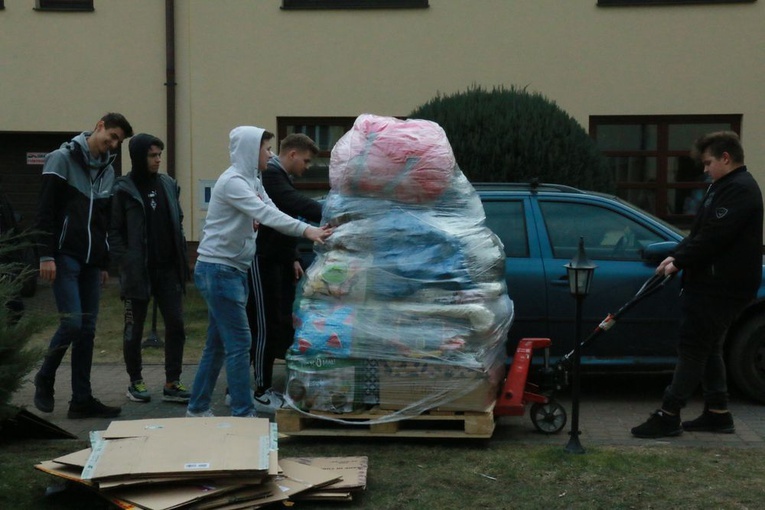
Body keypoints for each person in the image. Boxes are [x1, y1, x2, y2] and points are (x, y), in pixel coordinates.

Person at [186, 126, 332, 418]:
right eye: (266, 149)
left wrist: (305, 230)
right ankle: (243, 412)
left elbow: (273, 211)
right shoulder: (234, 183)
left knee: (216, 344)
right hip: (219, 271)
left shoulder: (253, 180)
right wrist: (308, 229)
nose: (270, 153)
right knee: (240, 343)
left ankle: (198, 407)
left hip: (231, 270)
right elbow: (264, 214)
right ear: (250, 151)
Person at [631, 131, 763, 438]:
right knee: (710, 346)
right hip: (711, 282)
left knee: (693, 347)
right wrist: (676, 255)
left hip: (721, 286)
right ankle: (718, 413)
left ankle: (668, 413)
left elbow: (716, 236)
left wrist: (680, 261)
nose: (704, 169)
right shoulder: (723, 188)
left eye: (708, 163)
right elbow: (700, 233)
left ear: (726, 158)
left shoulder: (740, 190)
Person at [33, 112, 133, 419]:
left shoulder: (107, 169)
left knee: (87, 330)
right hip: (64, 255)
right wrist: (45, 255)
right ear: (99, 125)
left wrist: (103, 263)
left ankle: (81, 400)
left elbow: (102, 219)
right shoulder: (60, 159)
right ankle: (45, 376)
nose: (113, 144)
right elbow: (45, 212)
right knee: (72, 323)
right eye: (112, 136)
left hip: (91, 261)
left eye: (118, 141)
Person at [110, 133, 191, 404]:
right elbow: (114, 231)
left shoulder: (168, 184)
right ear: (138, 157)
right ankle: (135, 381)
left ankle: (172, 381)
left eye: (159, 155)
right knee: (134, 329)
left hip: (168, 269)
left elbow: (177, 221)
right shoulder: (123, 189)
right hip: (138, 272)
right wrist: (125, 260)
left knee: (176, 325)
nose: (158, 160)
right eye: (152, 155)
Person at [248, 133, 323, 414]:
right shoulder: (271, 178)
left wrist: (292, 255)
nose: (306, 167)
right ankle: (260, 389)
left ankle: (260, 385)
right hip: (263, 260)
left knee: (278, 321)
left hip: (278, 260)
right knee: (263, 325)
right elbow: (291, 205)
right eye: (305, 161)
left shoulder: (279, 178)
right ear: (292, 154)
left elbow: (286, 220)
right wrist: (332, 213)